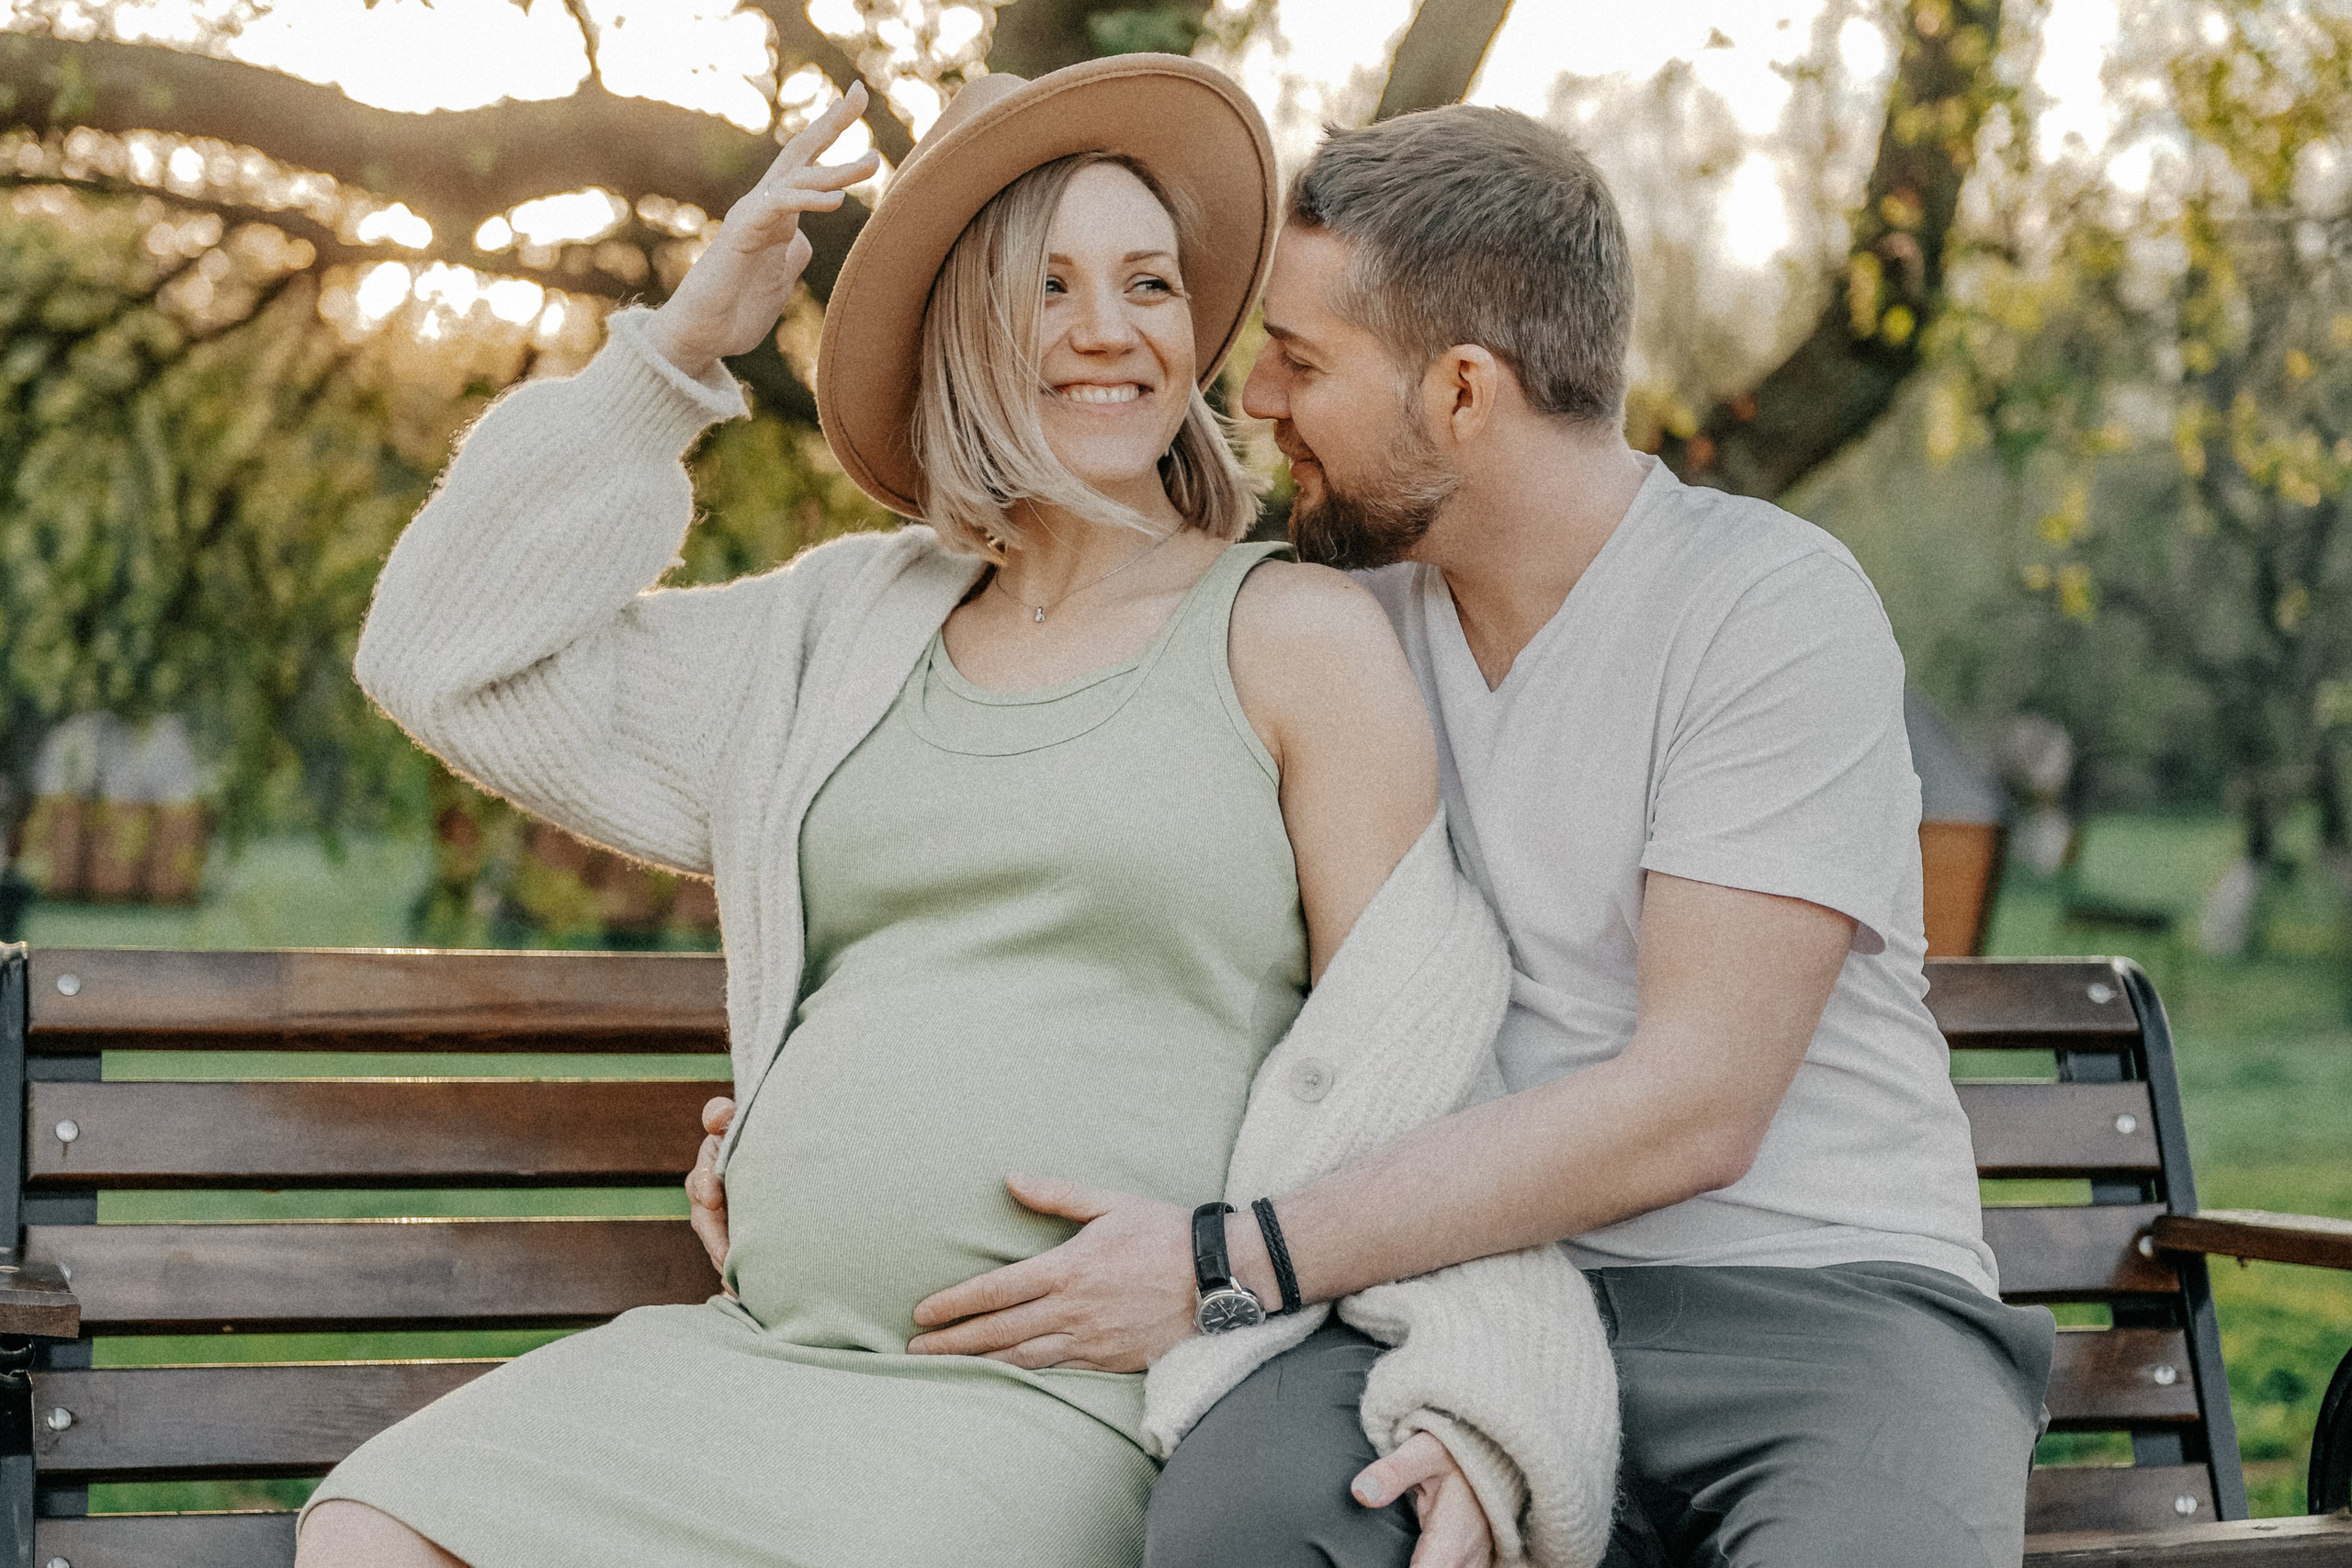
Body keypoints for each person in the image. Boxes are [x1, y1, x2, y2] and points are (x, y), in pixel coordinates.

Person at [701, 104, 2059, 1568]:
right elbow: (1074, 875)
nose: (1257, 399)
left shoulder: (1766, 609)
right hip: (1440, 1289)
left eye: (1300, 359)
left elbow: (1695, 1104)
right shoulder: (1325, 621)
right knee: (1246, 1535)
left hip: (1819, 1306)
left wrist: (1231, 1263)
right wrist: (809, 1098)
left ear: (1463, 392)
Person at [300, 57, 1615, 1568]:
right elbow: (438, 654)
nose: (1110, 330)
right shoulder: (837, 631)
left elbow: (1417, 1065)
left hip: (1060, 1402)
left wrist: (1476, 1394)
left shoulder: (1296, 637)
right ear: (964, 327)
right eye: (1048, 286)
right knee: (376, 1522)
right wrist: (675, 350)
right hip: (765, 1355)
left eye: (1149, 283)